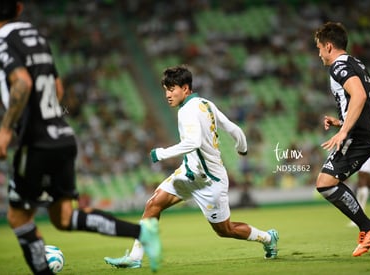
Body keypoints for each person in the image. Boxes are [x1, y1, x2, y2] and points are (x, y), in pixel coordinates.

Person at [0, 1, 161, 274]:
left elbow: (23, 82)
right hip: (62, 135)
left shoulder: (2, 42)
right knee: (63, 217)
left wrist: (5, 130)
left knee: (18, 217)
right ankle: (143, 232)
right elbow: (58, 88)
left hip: (35, 141)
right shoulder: (36, 36)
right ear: (19, 8)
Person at [104, 65, 279, 268]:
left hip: (210, 182)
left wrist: (160, 153)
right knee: (153, 205)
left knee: (225, 230)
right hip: (188, 175)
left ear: (185, 88)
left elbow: (193, 142)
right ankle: (135, 257)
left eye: (172, 89)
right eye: (165, 90)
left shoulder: (187, 111)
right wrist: (242, 149)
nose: (167, 95)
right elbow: (234, 129)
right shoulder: (206, 104)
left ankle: (267, 238)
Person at [314, 22, 370, 257]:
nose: (319, 53)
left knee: (324, 183)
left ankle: (368, 227)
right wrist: (342, 121)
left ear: (329, 46)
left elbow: (360, 96)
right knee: (327, 182)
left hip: (358, 136)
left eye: (320, 48)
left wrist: (344, 132)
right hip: (369, 133)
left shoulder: (338, 66)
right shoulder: (359, 65)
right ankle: (366, 227)